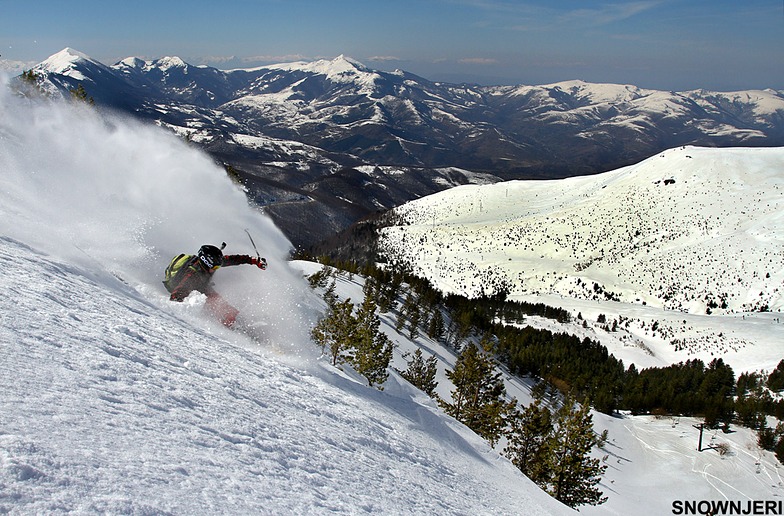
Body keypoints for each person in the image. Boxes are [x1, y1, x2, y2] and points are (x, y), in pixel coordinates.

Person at [163, 244, 266, 325]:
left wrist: (254, 261)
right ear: (206, 262)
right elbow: (178, 292)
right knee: (220, 305)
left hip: (202, 286)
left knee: (224, 307)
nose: (216, 269)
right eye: (215, 267)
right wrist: (181, 308)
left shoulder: (211, 264)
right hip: (197, 290)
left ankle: (235, 321)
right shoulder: (192, 274)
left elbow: (234, 259)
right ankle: (232, 325)